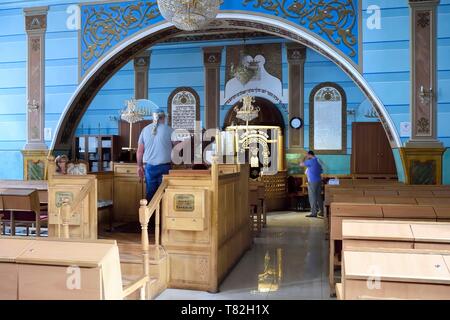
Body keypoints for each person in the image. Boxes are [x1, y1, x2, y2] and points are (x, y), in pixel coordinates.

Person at [137, 108, 174, 201]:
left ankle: (150, 215)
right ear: (164, 118)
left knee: (150, 193)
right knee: (164, 194)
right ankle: (162, 215)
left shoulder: (145, 130)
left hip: (149, 167)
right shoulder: (169, 130)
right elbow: (177, 149)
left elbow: (140, 151)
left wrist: (139, 166)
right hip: (165, 167)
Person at [300, 151, 324, 218]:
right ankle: (321, 211)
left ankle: (314, 213)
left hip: (312, 182)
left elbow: (301, 164)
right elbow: (322, 169)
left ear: (309, 155)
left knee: (312, 197)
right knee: (319, 196)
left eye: (307, 155)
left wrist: (304, 157)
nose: (307, 157)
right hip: (319, 181)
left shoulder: (311, 161)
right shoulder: (318, 160)